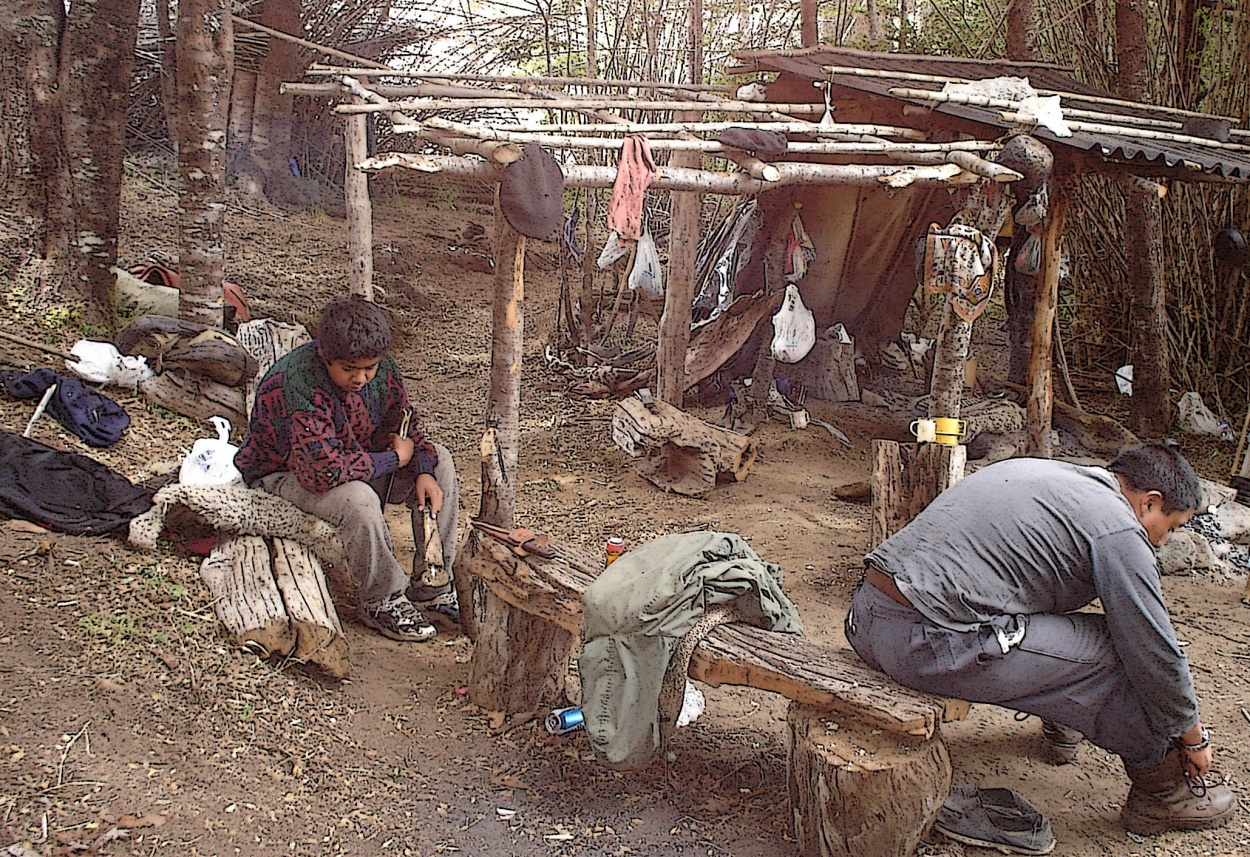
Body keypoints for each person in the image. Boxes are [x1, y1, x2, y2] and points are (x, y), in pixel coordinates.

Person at [844, 442, 1237, 837]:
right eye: (1170, 528)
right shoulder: (1117, 526)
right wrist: (1191, 735)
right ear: (1149, 503)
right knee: (1120, 657)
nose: (1163, 542)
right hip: (923, 642)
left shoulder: (1057, 477)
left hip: (867, 618)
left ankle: (1063, 720)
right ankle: (1163, 794)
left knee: (1077, 622)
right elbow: (1154, 651)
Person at [234, 295, 460, 643]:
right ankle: (381, 599)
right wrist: (395, 460)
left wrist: (423, 468)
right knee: (358, 500)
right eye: (350, 369)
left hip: (351, 457)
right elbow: (322, 471)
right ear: (324, 354)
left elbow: (403, 422)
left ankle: (434, 583)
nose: (361, 378)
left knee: (439, 461)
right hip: (283, 475)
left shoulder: (381, 370)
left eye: (369, 368)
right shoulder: (297, 384)